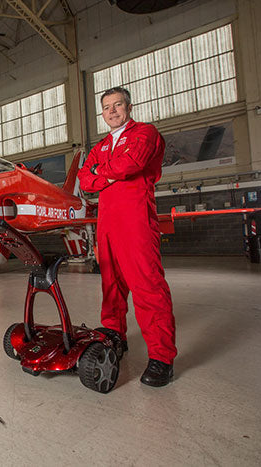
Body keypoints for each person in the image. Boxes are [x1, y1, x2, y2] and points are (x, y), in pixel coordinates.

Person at [77, 86, 175, 387]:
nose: (112, 111)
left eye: (117, 105)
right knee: (111, 283)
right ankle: (114, 333)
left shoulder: (145, 133)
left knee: (147, 285)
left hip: (136, 220)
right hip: (106, 223)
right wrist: (105, 174)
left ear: (128, 107)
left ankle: (161, 357)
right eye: (106, 107)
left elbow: (131, 164)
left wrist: (102, 172)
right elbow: (85, 180)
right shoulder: (102, 145)